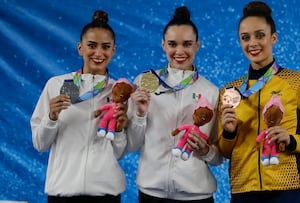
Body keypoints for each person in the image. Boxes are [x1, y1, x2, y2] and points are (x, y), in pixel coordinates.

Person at [218, 1, 300, 203]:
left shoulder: (299, 82)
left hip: (287, 187)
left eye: (260, 35)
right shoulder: (230, 91)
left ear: (273, 38)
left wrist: (293, 140)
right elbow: (224, 151)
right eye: (245, 38)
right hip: (243, 188)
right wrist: (228, 132)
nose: (252, 43)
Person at [126, 6, 224, 203]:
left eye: (187, 44)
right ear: (163, 45)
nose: (179, 51)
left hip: (197, 195)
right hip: (152, 193)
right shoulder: (144, 83)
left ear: (198, 45)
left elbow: (218, 158)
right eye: (172, 44)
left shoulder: (211, 92)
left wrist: (206, 151)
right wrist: (139, 114)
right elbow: (132, 144)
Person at [30, 10, 127, 203]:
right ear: (80, 48)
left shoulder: (119, 91)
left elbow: (118, 152)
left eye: (105, 47)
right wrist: (51, 117)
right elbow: (40, 145)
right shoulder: (57, 85)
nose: (99, 53)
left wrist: (120, 129)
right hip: (63, 191)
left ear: (113, 50)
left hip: (105, 193)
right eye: (92, 46)